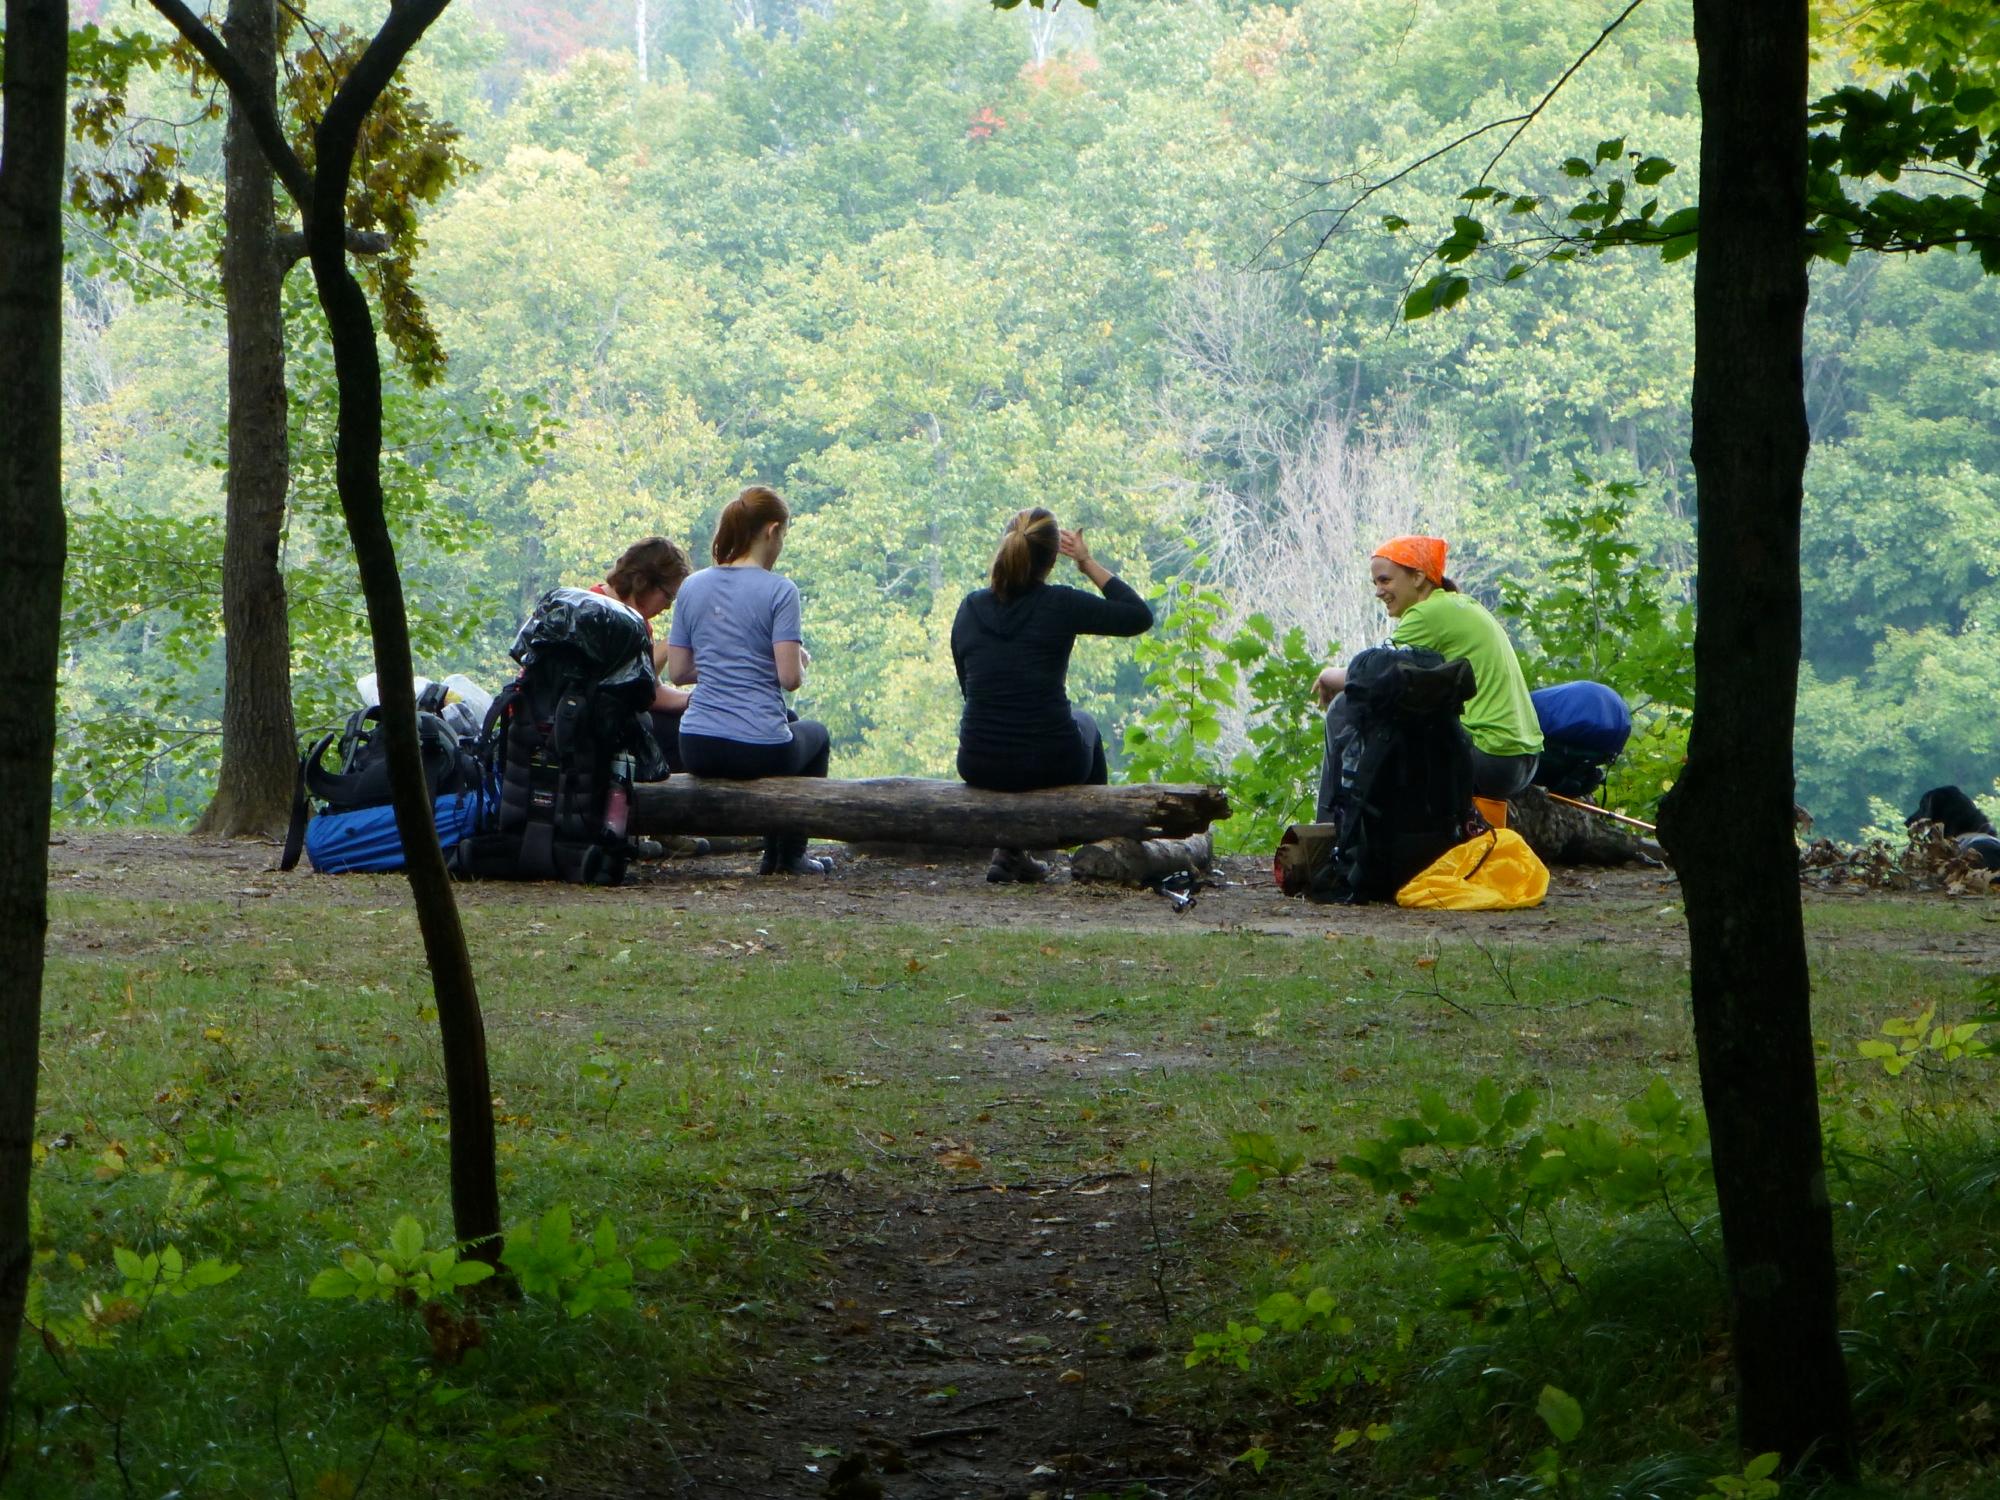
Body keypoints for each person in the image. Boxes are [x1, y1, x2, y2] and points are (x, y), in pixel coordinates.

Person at [952, 507, 1154, 883]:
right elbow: (1138, 616)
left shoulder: (970, 608)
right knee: (1087, 724)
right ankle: (1098, 851)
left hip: (979, 761)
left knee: (1029, 729)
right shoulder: (1060, 604)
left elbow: (969, 688)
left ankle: (1011, 853)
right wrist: (1087, 562)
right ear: (1048, 561)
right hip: (1049, 760)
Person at [666, 486, 832, 876]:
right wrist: (798, 661)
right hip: (756, 748)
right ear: (772, 531)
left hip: (698, 745)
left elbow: (678, 672)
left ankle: (776, 855)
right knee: (816, 735)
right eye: (783, 537)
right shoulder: (780, 590)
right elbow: (790, 679)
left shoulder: (693, 586)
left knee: (789, 722)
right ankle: (788, 854)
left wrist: (727, 663)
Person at [1313, 534, 1541, 816]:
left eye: (1385, 580)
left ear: (1419, 577)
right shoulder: (1460, 605)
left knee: (1345, 707)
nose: (1379, 591)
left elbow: (1364, 678)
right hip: (1522, 760)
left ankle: (1330, 832)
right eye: (1375, 583)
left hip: (1489, 756)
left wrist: (1326, 675)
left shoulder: (1427, 614)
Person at [590, 536, 694, 774]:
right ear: (641, 581)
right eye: (667, 596)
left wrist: (693, 701)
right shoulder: (597, 610)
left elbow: (651, 691)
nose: (668, 607)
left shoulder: (640, 624)